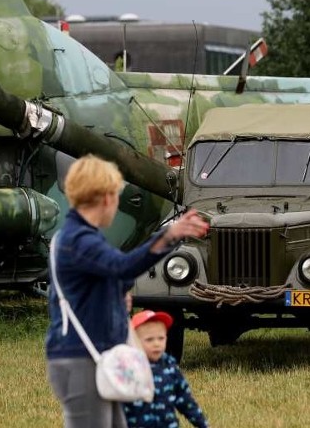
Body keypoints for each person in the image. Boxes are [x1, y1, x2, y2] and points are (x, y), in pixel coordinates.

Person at [46, 154, 209, 428]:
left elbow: (108, 276)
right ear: (107, 197)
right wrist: (169, 235)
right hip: (80, 357)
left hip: (92, 354)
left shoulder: (81, 236)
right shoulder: (80, 239)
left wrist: (120, 292)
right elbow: (122, 267)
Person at [123, 310, 209, 428]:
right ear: (135, 341)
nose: (157, 344)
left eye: (161, 338)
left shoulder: (170, 367)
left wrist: (202, 424)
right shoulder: (128, 369)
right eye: (149, 339)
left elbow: (185, 400)